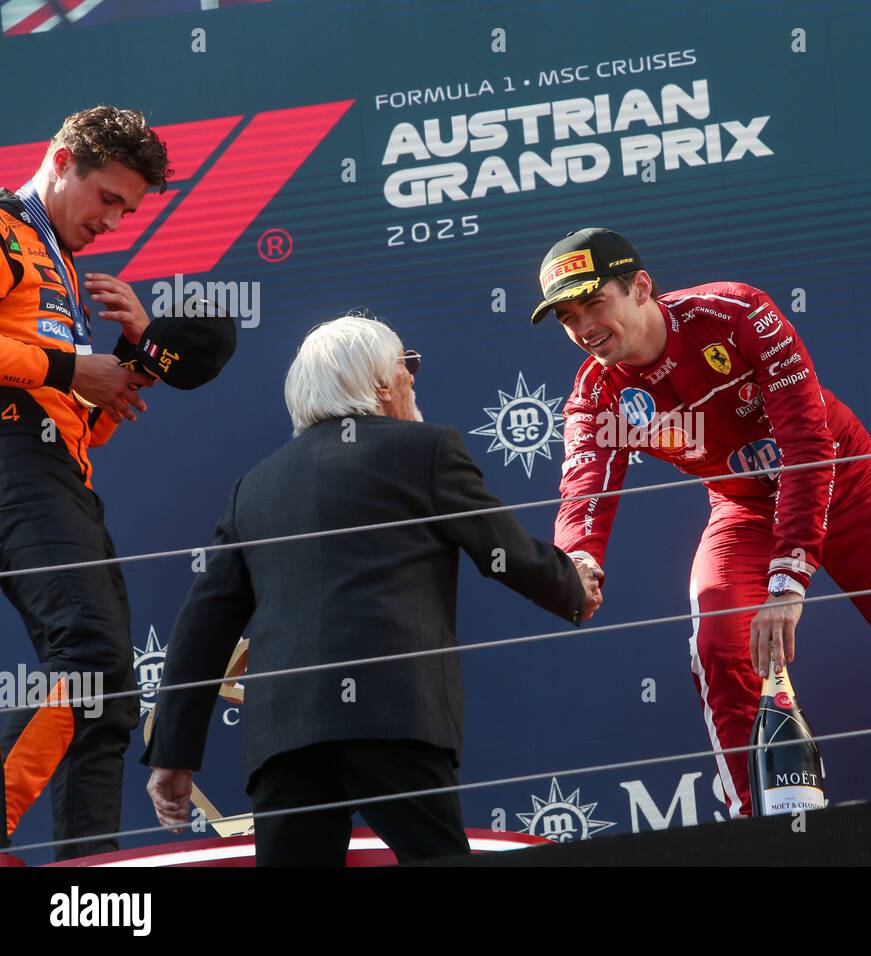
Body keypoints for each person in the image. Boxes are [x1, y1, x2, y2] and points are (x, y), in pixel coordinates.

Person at [535, 228, 871, 818]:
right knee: (718, 642)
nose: (584, 328)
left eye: (594, 303)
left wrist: (788, 577)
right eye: (568, 317)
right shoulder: (597, 393)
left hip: (843, 481)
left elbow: (808, 441)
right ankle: (759, 829)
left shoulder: (735, 313)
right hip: (743, 507)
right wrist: (576, 560)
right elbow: (584, 492)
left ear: (641, 287)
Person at [143, 314, 603, 866]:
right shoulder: (424, 451)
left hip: (286, 737)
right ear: (380, 384)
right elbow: (500, 549)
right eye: (407, 367)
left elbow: (203, 624)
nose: (414, 379)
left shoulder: (255, 488)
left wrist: (173, 752)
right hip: (393, 715)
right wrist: (572, 587)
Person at [0, 106, 169, 859]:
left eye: (127, 211)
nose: (114, 222)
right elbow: (52, 380)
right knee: (91, 663)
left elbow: (81, 416)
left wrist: (141, 357)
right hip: (11, 462)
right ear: (62, 160)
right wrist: (75, 369)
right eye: (107, 199)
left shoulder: (64, 269)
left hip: (59, 471)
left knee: (107, 701)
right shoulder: (6, 228)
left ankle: (88, 886)